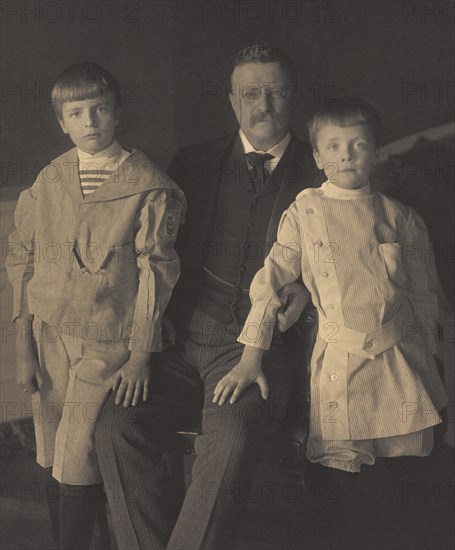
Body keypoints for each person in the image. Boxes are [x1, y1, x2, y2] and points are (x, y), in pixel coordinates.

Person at [95, 45, 322, 550]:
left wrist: (309, 286)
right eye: (250, 94)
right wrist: (153, 327)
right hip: (182, 336)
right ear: (231, 101)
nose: (263, 104)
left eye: (276, 92)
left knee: (233, 438)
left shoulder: (323, 169)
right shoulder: (193, 162)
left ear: (295, 97)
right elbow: (152, 250)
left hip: (257, 349)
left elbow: (354, 256)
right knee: (116, 426)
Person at [215, 96, 450, 546]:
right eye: (335, 146)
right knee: (345, 477)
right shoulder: (307, 210)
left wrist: (437, 366)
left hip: (400, 359)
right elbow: (272, 282)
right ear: (319, 156)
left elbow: (425, 298)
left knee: (400, 478)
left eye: (358, 145)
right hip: (341, 360)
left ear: (375, 152)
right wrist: (251, 358)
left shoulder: (400, 217)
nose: (347, 155)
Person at [6, 62, 185, 550]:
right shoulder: (51, 179)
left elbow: (156, 273)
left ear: (117, 114)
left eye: (99, 109)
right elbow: (20, 257)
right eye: (76, 112)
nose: (90, 122)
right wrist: (23, 348)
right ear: (62, 121)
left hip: (107, 343)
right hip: (49, 337)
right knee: (51, 448)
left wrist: (142, 352)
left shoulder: (147, 186)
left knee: (77, 452)